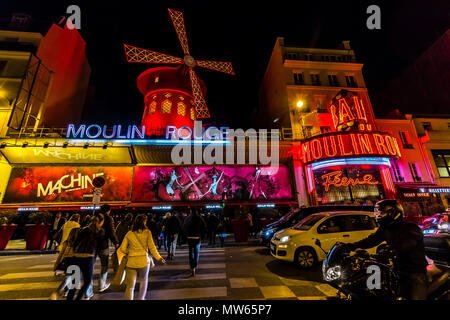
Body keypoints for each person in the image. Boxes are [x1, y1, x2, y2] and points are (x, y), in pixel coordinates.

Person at [342, 199, 428, 300]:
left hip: (414, 271)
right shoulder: (386, 228)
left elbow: (407, 243)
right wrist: (350, 246)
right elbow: (371, 240)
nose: (378, 216)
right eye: (377, 213)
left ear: (392, 213)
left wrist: (391, 250)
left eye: (381, 213)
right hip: (396, 269)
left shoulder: (411, 228)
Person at [118, 214, 165, 300]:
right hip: (143, 261)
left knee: (130, 286)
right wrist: (159, 257)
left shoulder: (129, 233)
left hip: (131, 262)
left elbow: (122, 249)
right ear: (144, 222)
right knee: (143, 281)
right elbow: (152, 248)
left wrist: (129, 252)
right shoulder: (147, 232)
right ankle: (141, 298)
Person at [66, 213, 105, 300]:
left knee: (74, 282)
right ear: (101, 222)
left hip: (77, 256)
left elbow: (76, 243)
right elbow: (99, 247)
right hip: (88, 258)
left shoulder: (83, 230)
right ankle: (78, 298)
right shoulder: (100, 231)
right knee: (87, 282)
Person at [95, 204, 119, 293]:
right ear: (108, 210)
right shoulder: (108, 218)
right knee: (104, 265)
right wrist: (116, 242)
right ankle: (101, 285)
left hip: (92, 245)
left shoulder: (94, 216)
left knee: (90, 266)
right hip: (103, 244)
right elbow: (111, 232)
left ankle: (87, 291)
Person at [182, 209, 207, 276]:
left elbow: (184, 228)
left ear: (190, 211)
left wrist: (186, 236)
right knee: (196, 252)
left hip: (190, 238)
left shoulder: (187, 219)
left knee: (191, 252)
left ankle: (192, 266)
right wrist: (202, 235)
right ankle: (195, 265)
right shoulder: (200, 218)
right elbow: (204, 227)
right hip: (197, 237)